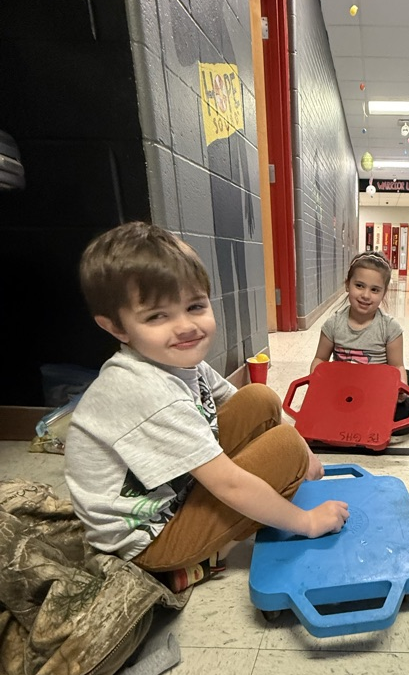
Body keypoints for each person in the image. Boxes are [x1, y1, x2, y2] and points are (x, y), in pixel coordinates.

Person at [65, 222, 349, 593]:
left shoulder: (178, 363)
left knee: (260, 398)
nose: (185, 327)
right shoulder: (147, 390)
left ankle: (209, 545)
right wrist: (307, 521)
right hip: (150, 540)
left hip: (174, 494)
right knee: (286, 450)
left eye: (195, 306)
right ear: (117, 328)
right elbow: (229, 484)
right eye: (156, 316)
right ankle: (182, 566)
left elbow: (242, 403)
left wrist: (309, 454)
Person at [311, 250, 409, 427]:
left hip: (376, 389)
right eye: (359, 285)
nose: (366, 295)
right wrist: (318, 383)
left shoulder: (390, 328)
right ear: (347, 285)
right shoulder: (333, 324)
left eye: (375, 290)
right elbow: (320, 359)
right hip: (344, 388)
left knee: (404, 413)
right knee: (321, 413)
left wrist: (400, 386)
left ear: (383, 293)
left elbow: (397, 365)